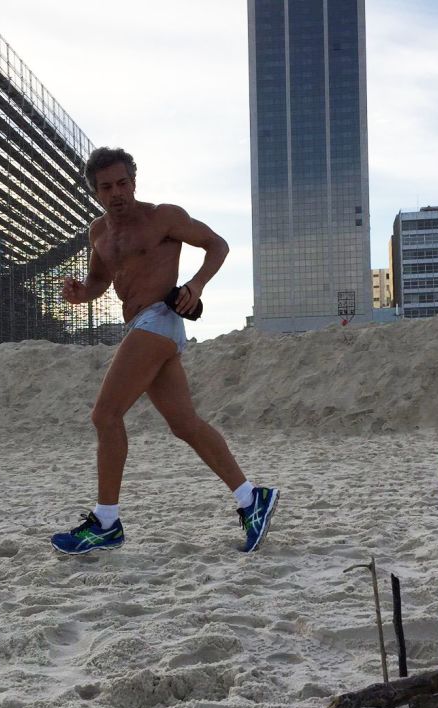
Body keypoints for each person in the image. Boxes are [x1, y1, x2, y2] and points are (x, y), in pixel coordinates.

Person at [51, 147, 278, 556]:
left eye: (123, 183)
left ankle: (106, 522)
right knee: (184, 424)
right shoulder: (98, 233)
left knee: (105, 415)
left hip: (160, 318)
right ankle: (251, 499)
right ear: (96, 193)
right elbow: (98, 282)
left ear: (134, 181)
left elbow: (218, 245)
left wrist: (196, 286)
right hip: (139, 324)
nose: (117, 192)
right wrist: (78, 294)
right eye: (107, 187)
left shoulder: (164, 217)